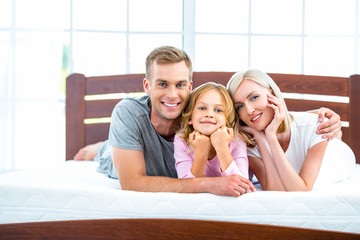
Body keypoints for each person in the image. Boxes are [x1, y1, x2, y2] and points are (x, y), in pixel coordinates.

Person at [74, 46, 343, 197]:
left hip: (180, 169)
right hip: (124, 158)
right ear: (147, 85)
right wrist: (212, 184)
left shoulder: (197, 110)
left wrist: (325, 116)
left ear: (190, 86)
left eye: (180, 85)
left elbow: (259, 116)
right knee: (108, 154)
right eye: (162, 84)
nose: (172, 95)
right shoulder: (129, 113)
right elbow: (131, 182)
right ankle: (104, 146)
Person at [227, 69, 355, 191]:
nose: (249, 110)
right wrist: (263, 138)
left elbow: (301, 189)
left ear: (272, 94)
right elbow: (274, 190)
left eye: (254, 97)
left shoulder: (314, 125)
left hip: (337, 159)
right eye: (240, 106)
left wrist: (271, 135)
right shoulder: (249, 143)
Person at [174, 82, 249, 180]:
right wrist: (201, 151)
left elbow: (242, 185)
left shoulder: (237, 140)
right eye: (202, 108)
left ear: (227, 119)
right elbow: (186, 186)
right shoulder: (182, 139)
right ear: (189, 117)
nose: (209, 114)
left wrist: (222, 147)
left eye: (218, 110)